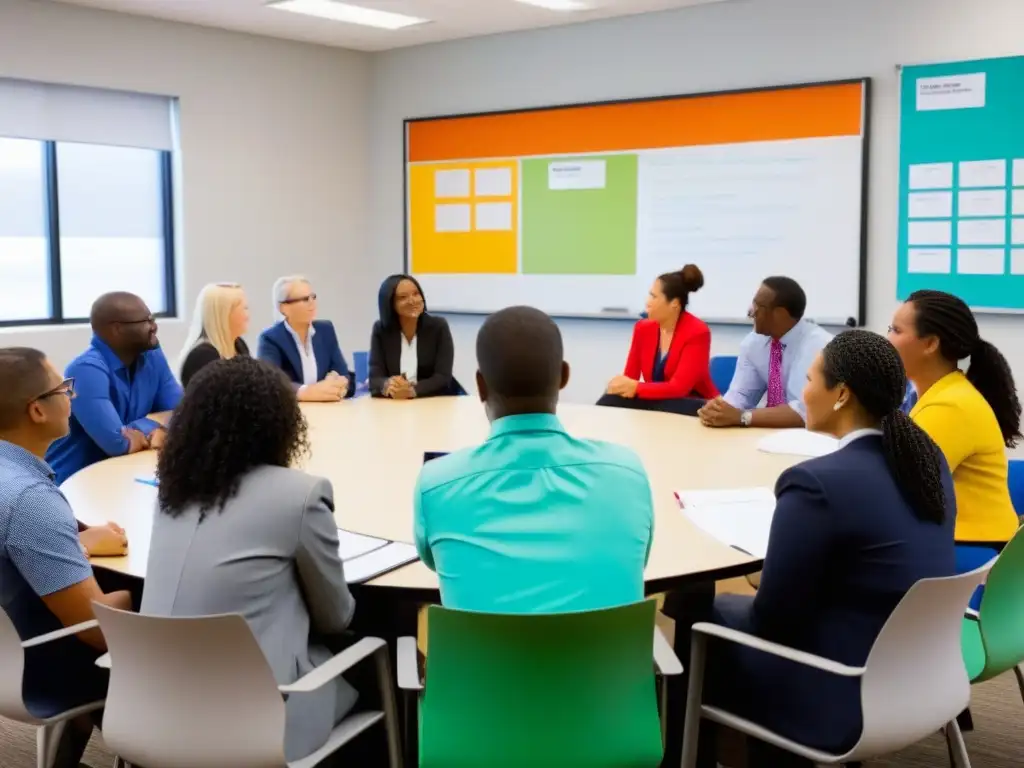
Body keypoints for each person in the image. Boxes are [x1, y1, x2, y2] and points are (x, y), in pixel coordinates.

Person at [694, 330, 956, 767]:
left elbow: (772, 619)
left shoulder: (816, 483)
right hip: (922, 678)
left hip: (840, 694)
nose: (803, 393)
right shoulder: (927, 461)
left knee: (700, 610)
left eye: (811, 380)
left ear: (842, 395)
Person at [141, 356, 359, 763]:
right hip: (258, 721)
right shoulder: (300, 495)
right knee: (371, 657)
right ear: (280, 423)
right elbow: (336, 617)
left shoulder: (171, 494)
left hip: (150, 711)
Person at [413, 305, 654, 613]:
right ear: (564, 376)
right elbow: (636, 561)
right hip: (607, 661)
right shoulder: (627, 473)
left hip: (484, 662)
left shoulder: (436, 484)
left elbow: (435, 561)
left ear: (480, 385)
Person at [0, 347, 133, 767]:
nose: (71, 396)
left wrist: (76, 545)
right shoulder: (32, 501)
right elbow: (96, 632)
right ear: (37, 410)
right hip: (38, 669)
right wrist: (141, 600)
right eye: (63, 388)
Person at [888, 289, 1022, 585]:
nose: (887, 339)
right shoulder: (938, 392)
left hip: (969, 554)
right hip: (960, 541)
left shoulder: (949, 406)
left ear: (931, 344)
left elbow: (896, 490)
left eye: (896, 330)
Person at [45, 292, 183, 484]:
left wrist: (140, 428)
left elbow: (183, 413)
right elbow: (117, 443)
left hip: (123, 475)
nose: (154, 326)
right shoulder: (84, 370)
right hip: (72, 484)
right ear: (116, 329)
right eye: (146, 321)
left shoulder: (151, 356)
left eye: (153, 319)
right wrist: (153, 427)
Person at [698, 276, 831, 429]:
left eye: (757, 307)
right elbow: (741, 395)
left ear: (779, 314)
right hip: (766, 433)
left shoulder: (819, 346)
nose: (751, 313)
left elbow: (804, 411)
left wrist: (743, 417)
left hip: (812, 437)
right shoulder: (754, 342)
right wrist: (719, 410)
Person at [598, 264, 718, 416]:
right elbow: (630, 377)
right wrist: (620, 385)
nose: (648, 302)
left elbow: (679, 388)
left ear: (674, 303)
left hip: (693, 404)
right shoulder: (642, 328)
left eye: (654, 297)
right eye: (649, 295)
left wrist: (635, 387)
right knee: (611, 398)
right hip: (658, 402)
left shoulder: (698, 332)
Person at [257, 275, 355, 402]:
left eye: (313, 297)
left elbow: (342, 372)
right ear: (284, 308)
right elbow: (269, 382)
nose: (312, 303)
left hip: (328, 409)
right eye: (304, 299)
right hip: (292, 412)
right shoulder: (270, 338)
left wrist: (339, 385)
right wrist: (305, 392)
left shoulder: (325, 330)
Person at [369, 274, 459, 399]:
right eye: (403, 297)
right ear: (390, 304)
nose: (412, 301)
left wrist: (412, 391)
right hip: (393, 405)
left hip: (432, 402)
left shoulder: (438, 327)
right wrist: (388, 385)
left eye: (416, 294)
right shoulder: (381, 330)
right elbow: (374, 379)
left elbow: (443, 377)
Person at [177, 283, 251, 388]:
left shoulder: (239, 345)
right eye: (244, 308)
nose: (247, 315)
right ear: (224, 314)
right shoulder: (203, 357)